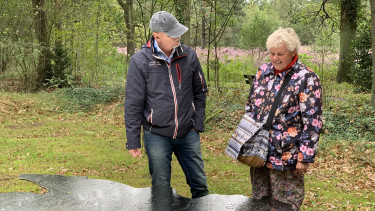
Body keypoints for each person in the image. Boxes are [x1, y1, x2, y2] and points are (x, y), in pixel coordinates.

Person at [124, 11, 209, 199]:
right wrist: (133, 139)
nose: (177, 37)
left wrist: (197, 124)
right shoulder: (140, 61)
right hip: (156, 135)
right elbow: (133, 102)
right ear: (157, 35)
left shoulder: (189, 56)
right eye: (172, 34)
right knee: (161, 189)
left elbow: (200, 91)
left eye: (178, 32)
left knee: (200, 186)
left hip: (188, 132)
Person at [245, 28, 323, 210]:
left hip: (287, 156)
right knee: (259, 202)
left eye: (280, 54)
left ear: (293, 52)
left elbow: (313, 120)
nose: (275, 58)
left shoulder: (306, 77)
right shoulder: (262, 71)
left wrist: (305, 156)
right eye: (271, 53)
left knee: (285, 205)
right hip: (260, 153)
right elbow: (250, 106)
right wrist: (245, 140)